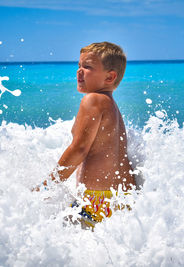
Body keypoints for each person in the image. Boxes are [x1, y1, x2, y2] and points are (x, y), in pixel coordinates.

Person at [39, 42, 135, 227]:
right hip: (120, 199)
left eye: (87, 67)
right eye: (79, 65)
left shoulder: (93, 100)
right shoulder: (111, 106)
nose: (79, 71)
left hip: (96, 202)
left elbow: (79, 149)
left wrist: (47, 186)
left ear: (110, 77)